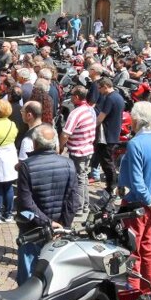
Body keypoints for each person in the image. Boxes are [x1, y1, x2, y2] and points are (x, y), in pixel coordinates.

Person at [15, 125, 81, 284]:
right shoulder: (68, 164)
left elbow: (26, 203)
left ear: (35, 143)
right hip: (57, 229)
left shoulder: (26, 166)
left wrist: (49, 223)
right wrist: (63, 226)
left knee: (27, 278)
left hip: (32, 229)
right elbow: (73, 201)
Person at [119, 102, 151, 291]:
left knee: (132, 250)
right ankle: (147, 289)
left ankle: (133, 292)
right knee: (146, 248)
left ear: (136, 120)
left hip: (136, 206)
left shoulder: (135, 144)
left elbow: (137, 182)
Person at [60, 87, 97, 217]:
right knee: (83, 177)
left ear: (76, 97)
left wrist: (60, 146)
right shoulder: (90, 110)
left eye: (72, 95)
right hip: (88, 148)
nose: (70, 97)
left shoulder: (76, 113)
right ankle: (85, 205)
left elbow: (66, 133)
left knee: (79, 179)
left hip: (78, 150)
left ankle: (79, 207)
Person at [92, 78, 126, 191]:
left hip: (107, 136)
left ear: (105, 86)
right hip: (113, 133)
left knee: (107, 162)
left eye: (100, 88)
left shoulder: (110, 98)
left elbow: (100, 118)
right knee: (107, 161)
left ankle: (112, 187)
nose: (99, 90)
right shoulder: (118, 97)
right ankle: (112, 185)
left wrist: (91, 127)